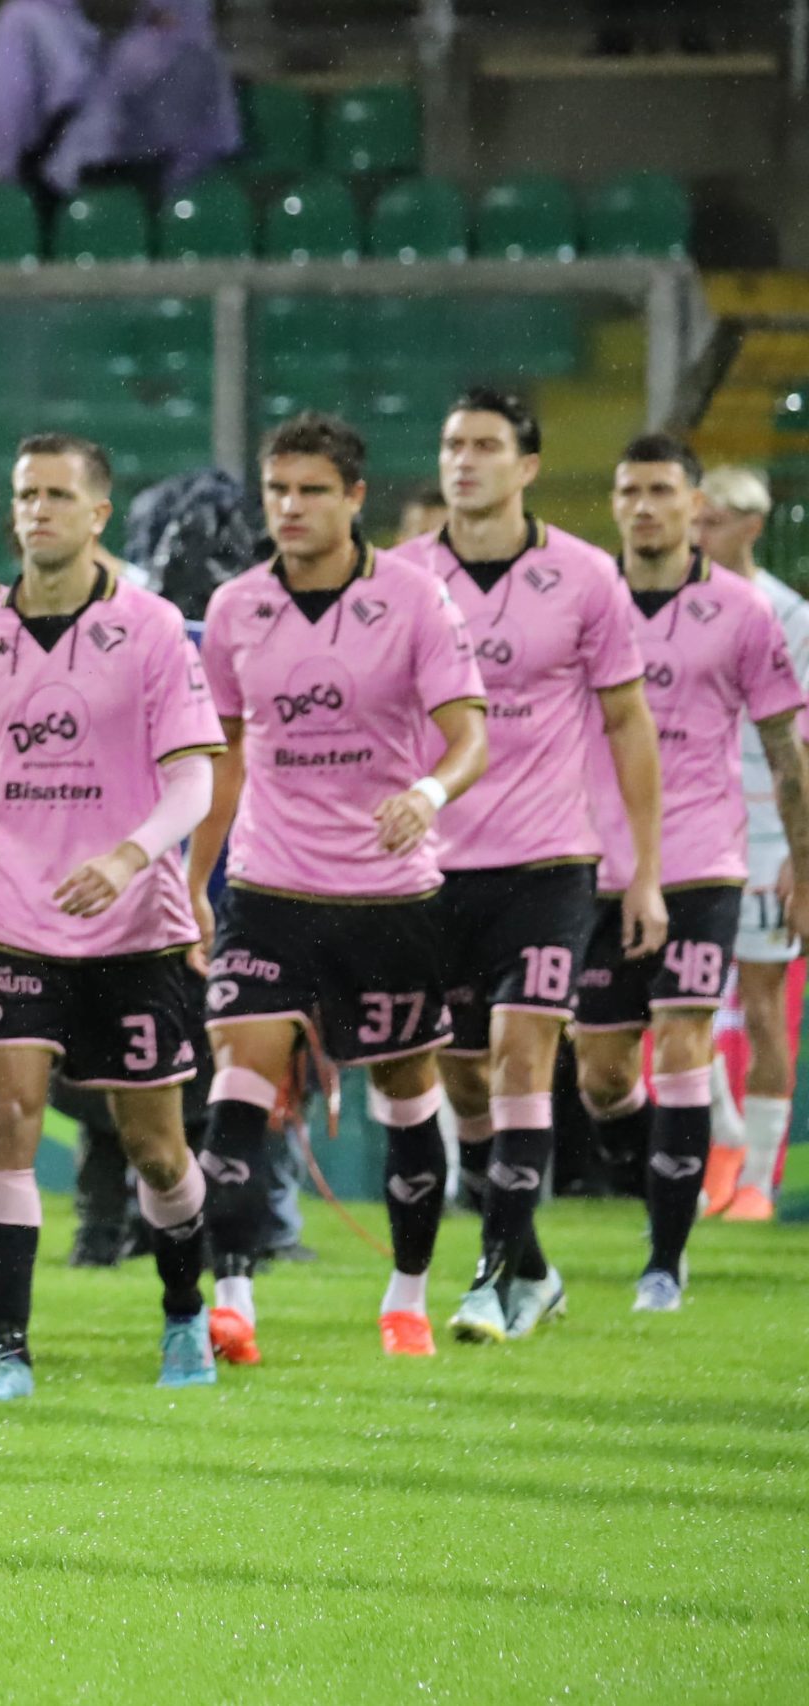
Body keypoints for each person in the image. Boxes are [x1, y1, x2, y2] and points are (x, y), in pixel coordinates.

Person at [187, 413, 488, 1362]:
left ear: (354, 498)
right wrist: (195, 880)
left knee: (408, 1089)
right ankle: (233, 1297)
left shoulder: (415, 598)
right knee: (239, 1069)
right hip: (270, 892)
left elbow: (472, 732)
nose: (291, 508)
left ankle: (405, 1298)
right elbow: (224, 758)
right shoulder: (236, 608)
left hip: (390, 898)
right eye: (279, 490)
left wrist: (428, 792)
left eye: (313, 490)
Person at [0, 433, 225, 1399]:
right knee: (5, 1117)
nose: (37, 511)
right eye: (25, 495)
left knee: (157, 1147)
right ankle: (10, 1353)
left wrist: (133, 856)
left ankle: (186, 1316)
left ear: (100, 515)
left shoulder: (149, 631)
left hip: (136, 925)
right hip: (16, 923)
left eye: (58, 495)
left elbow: (192, 782)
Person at [384, 388, 665, 1346]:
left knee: (521, 1054)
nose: (465, 461)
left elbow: (629, 723)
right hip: (430, 867)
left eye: (487, 446)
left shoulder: (586, 578)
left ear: (528, 465)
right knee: (462, 1081)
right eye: (453, 443)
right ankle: (534, 1268)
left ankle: (489, 1281)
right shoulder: (401, 578)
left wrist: (647, 872)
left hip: (549, 860)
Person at [576, 438, 809, 1313]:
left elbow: (789, 751)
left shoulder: (745, 613)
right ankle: (667, 1180)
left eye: (661, 491)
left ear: (694, 503)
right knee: (601, 1073)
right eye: (629, 490)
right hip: (594, 867)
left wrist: (803, 867)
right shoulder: (585, 608)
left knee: (682, 1044)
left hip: (705, 861)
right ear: (613, 501)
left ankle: (664, 1264)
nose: (644, 507)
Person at [696, 466, 809, 1220]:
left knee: (764, 1005)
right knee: (681, 995)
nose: (700, 530)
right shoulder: (675, 601)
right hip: (693, 822)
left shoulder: (788, 612)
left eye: (716, 519)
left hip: (768, 826)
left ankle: (758, 1183)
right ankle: (724, 1134)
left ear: (751, 525)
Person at [44, 0, 243, 200]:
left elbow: (215, 134)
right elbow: (99, 121)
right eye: (157, 12)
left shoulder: (202, 60)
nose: (164, 20)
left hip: (178, 173)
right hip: (123, 169)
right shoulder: (136, 50)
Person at [0, 0, 101, 196]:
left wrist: (30, 161)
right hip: (23, 168)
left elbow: (71, 88)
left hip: (44, 171)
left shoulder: (24, 15)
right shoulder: (14, 16)